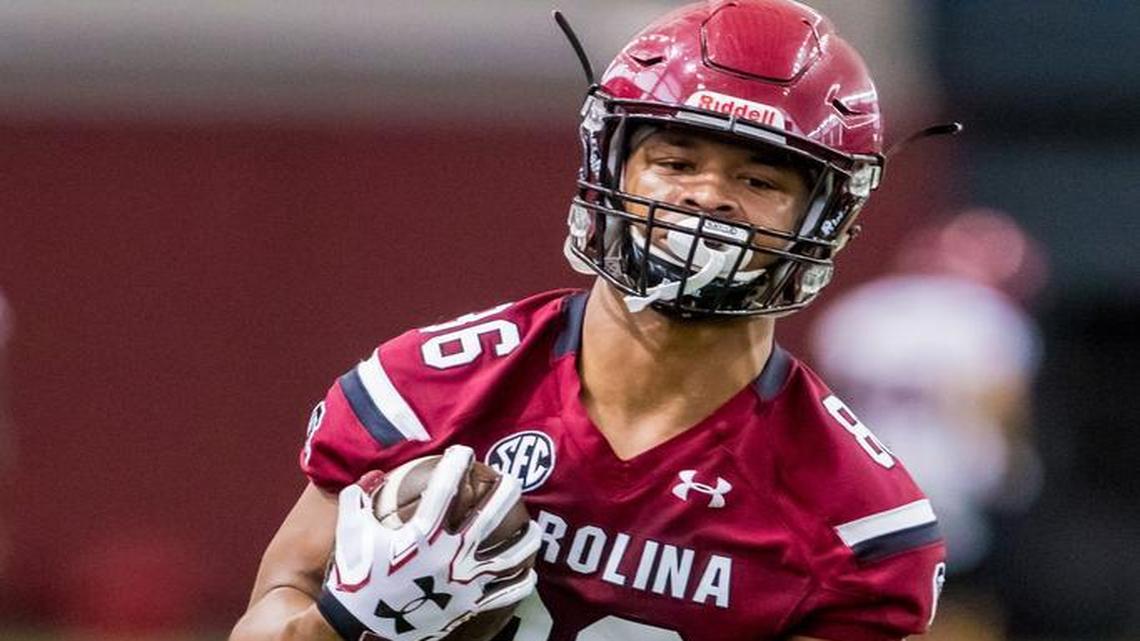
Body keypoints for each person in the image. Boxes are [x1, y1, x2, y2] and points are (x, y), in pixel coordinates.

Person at [230, 2, 947, 640]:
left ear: (826, 218)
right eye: (675, 159)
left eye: (758, 180)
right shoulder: (427, 389)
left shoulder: (856, 518)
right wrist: (349, 620)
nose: (707, 198)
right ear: (612, 165)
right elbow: (268, 613)